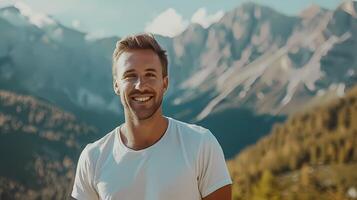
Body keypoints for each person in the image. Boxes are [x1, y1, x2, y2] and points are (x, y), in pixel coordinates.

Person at [71, 33, 232, 200]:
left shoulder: (201, 144)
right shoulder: (93, 158)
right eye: (130, 75)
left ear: (165, 83)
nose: (140, 85)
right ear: (116, 85)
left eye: (150, 74)